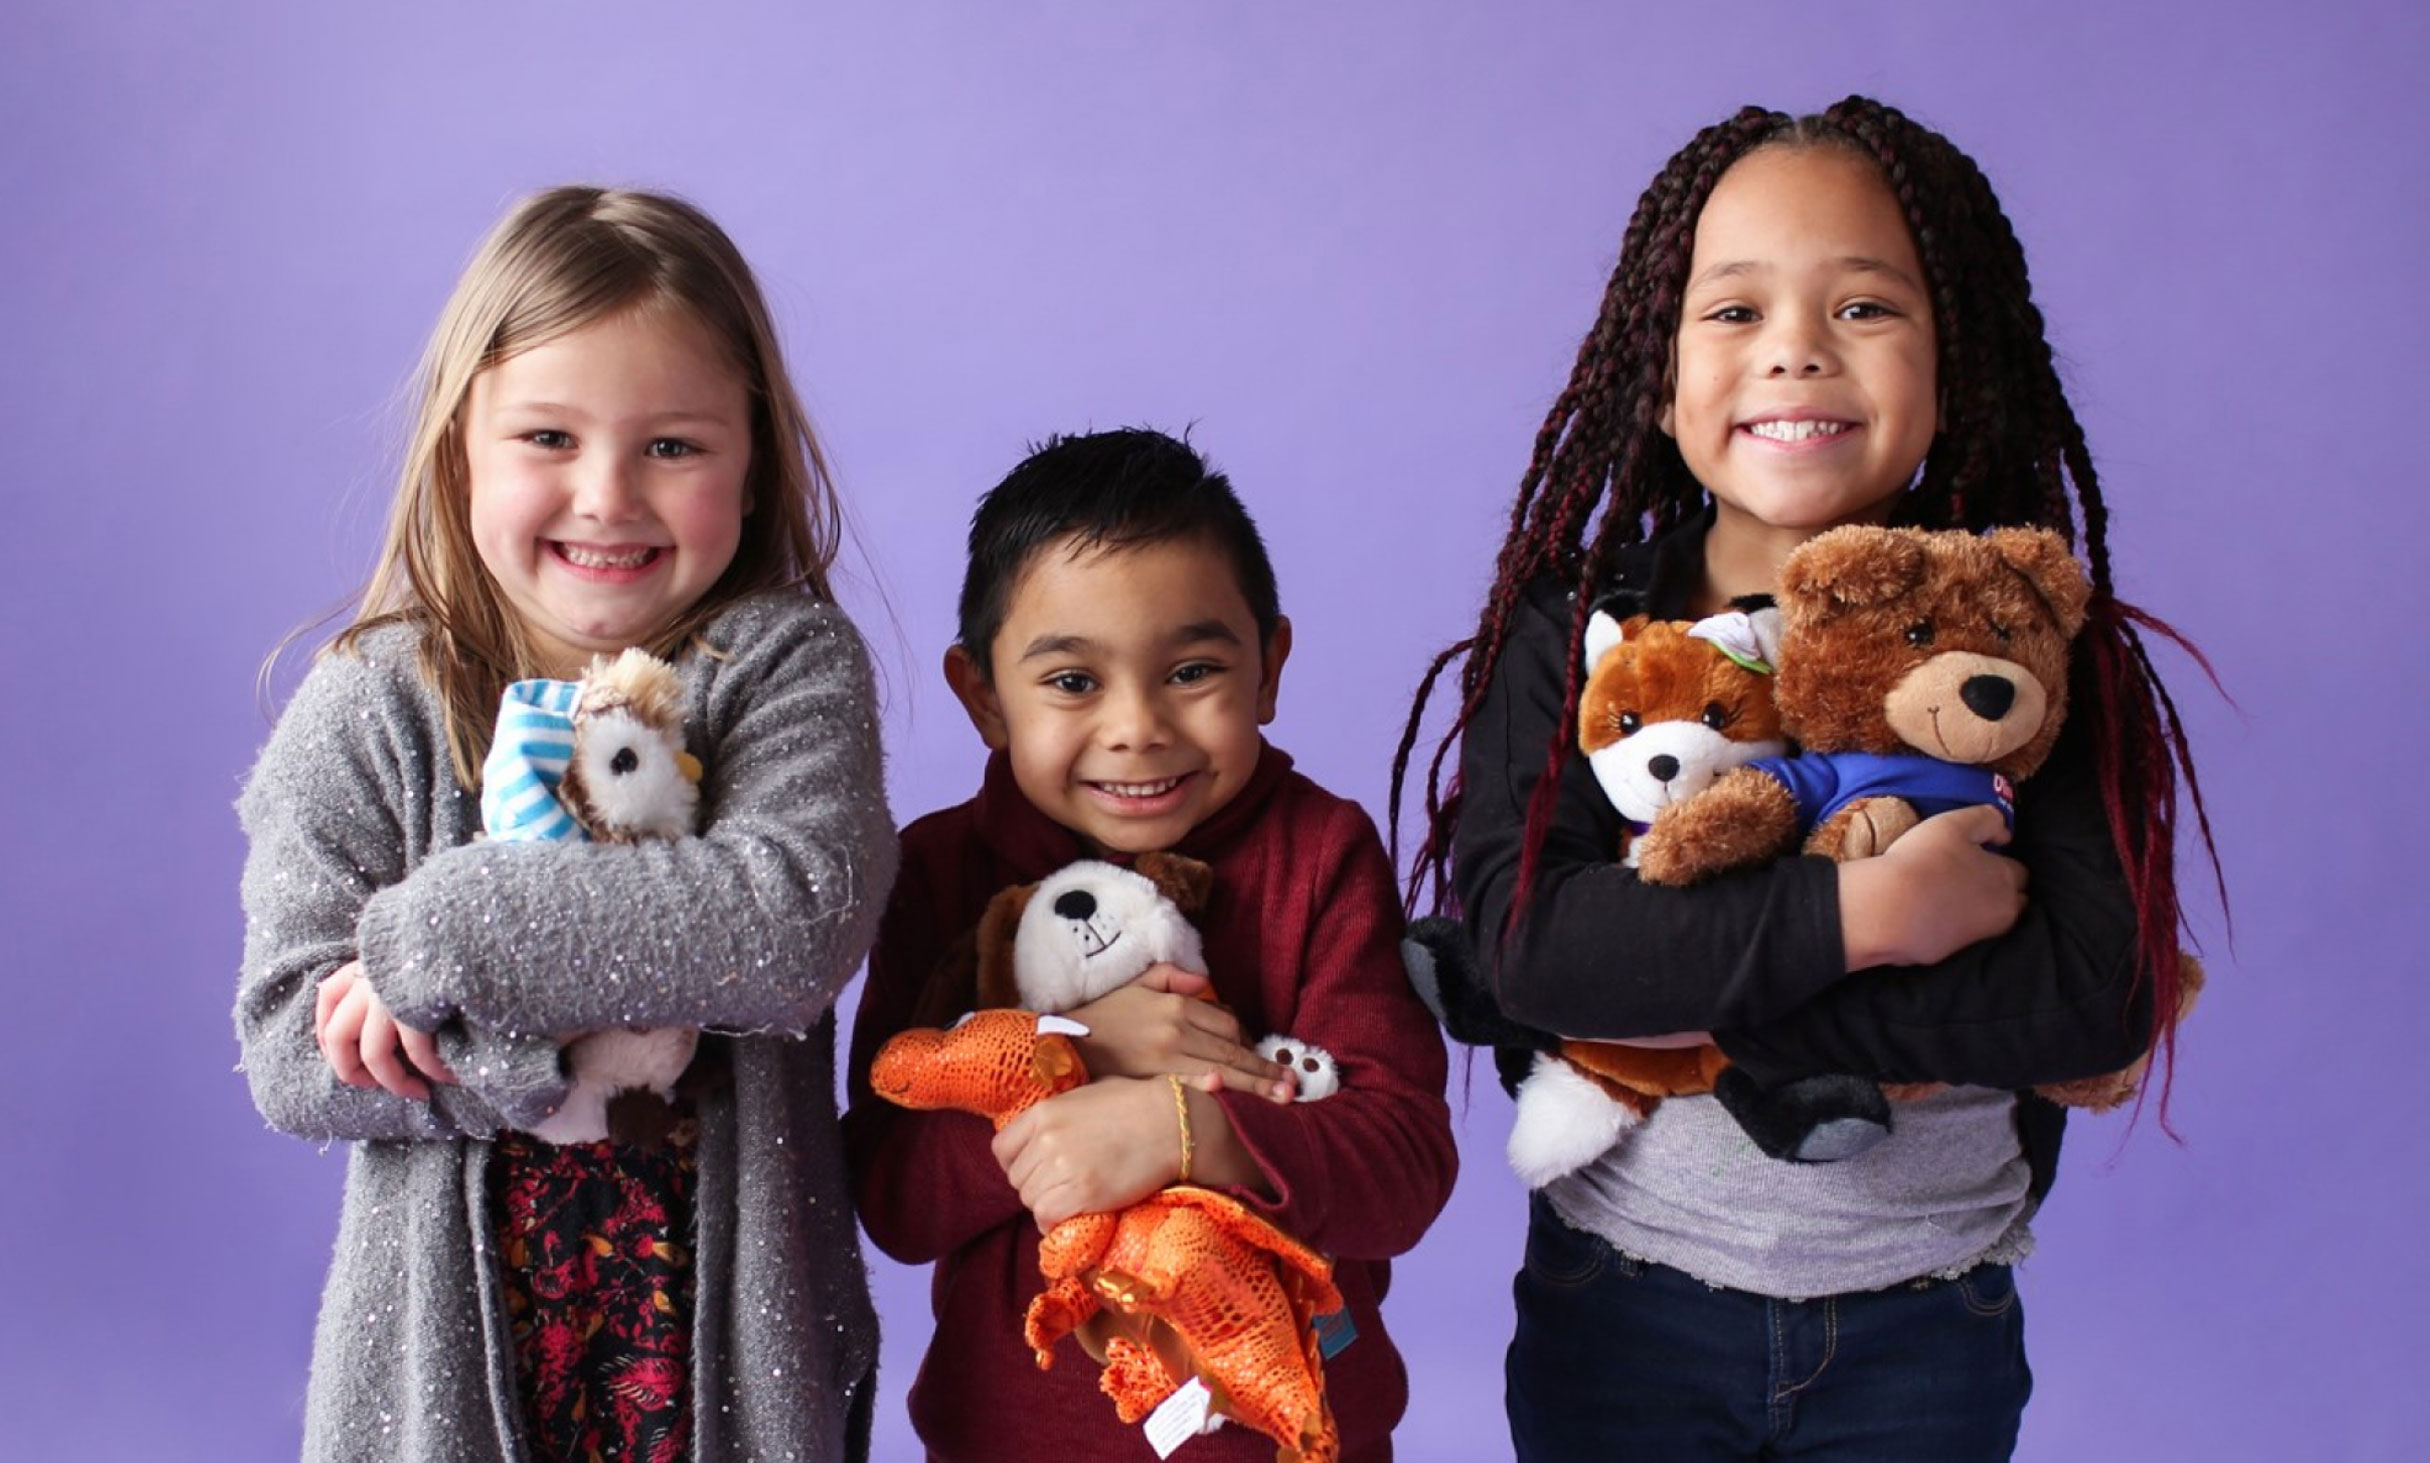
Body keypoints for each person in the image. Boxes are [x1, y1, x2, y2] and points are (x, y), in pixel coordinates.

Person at [1390, 98, 2214, 1460]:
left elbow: (2090, 997)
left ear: (1959, 364)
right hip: (1626, 1308)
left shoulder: (2024, 646)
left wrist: (1695, 1011)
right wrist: (1869, 918)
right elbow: (1534, 949)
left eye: (1864, 309)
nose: (1794, 350)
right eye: (1732, 312)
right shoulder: (1582, 630)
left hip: (1925, 1320)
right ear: (1655, 376)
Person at [235, 186, 895, 1463]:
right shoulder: (375, 703)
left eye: (673, 446)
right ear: (459, 451)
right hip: (443, 1391)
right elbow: (291, 1043)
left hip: (726, 1375)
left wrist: (439, 933)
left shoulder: (787, 668)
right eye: (548, 434)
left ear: (752, 464)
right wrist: (528, 1063)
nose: (607, 495)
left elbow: (788, 925)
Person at [845, 428, 1457, 1461]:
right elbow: (892, 1197)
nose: (1137, 726)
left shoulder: (1322, 851)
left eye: (1192, 669)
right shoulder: (943, 867)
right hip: (1010, 1438)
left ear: (1269, 669)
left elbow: (1405, 1164)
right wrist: (1071, 1060)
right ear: (984, 694)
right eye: (1073, 681)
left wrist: (1193, 1133)